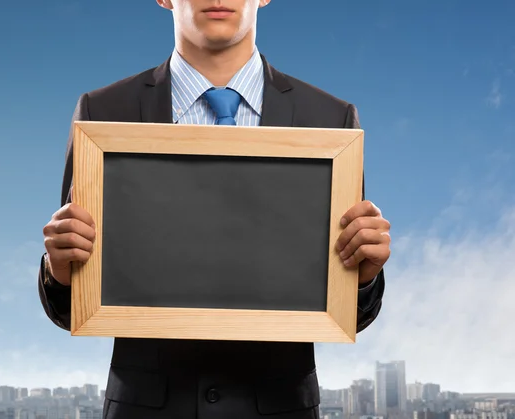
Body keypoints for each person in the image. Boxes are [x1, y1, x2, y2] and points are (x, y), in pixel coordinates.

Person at [37, 1, 392, 418]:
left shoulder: (331, 121)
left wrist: (364, 275)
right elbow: (70, 304)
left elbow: (343, 309)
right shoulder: (104, 113)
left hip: (278, 408)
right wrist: (59, 268)